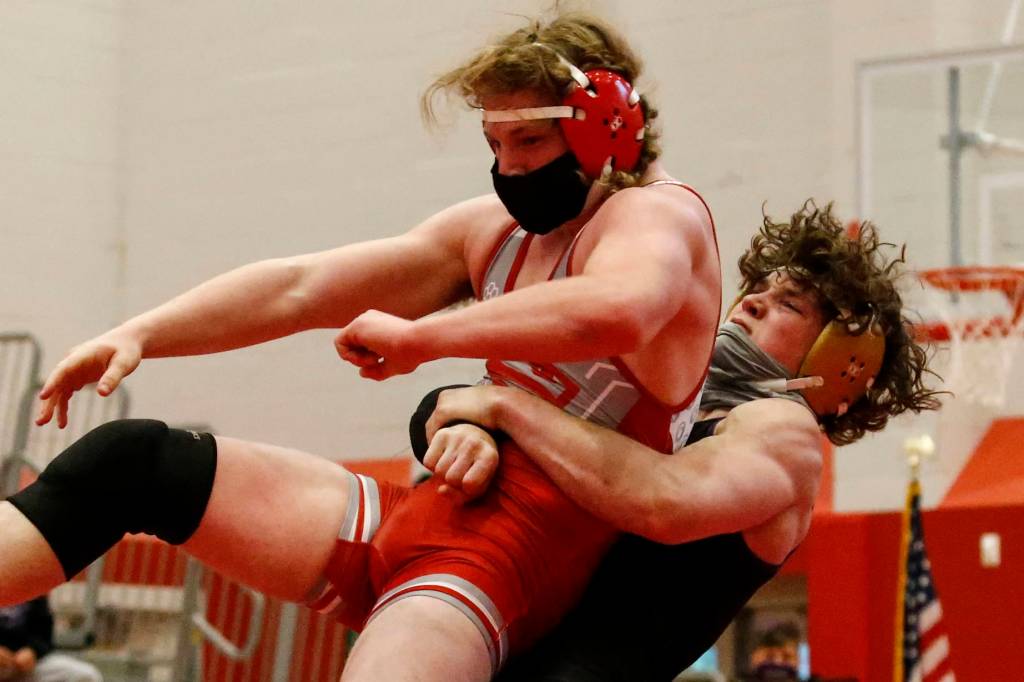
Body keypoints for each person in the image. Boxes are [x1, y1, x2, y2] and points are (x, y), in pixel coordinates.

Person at [0, 13, 719, 682]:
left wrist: (422, 337)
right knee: (131, 464)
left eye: (529, 141)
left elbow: (617, 311)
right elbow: (303, 287)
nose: (508, 169)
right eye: (494, 144)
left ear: (608, 124)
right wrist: (143, 333)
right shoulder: (494, 232)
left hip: (511, 564)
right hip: (424, 517)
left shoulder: (660, 218)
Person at [411, 202, 941, 681]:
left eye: (790, 306)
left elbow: (662, 502)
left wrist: (505, 409)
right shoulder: (677, 394)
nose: (752, 302)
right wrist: (469, 430)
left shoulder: (786, 432)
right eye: (757, 288)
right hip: (496, 640)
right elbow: (453, 407)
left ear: (835, 361)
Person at [0, 596, 102, 682]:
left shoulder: (30, 585)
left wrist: (33, 651)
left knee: (86, 675)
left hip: (29, 663)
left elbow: (45, 633)